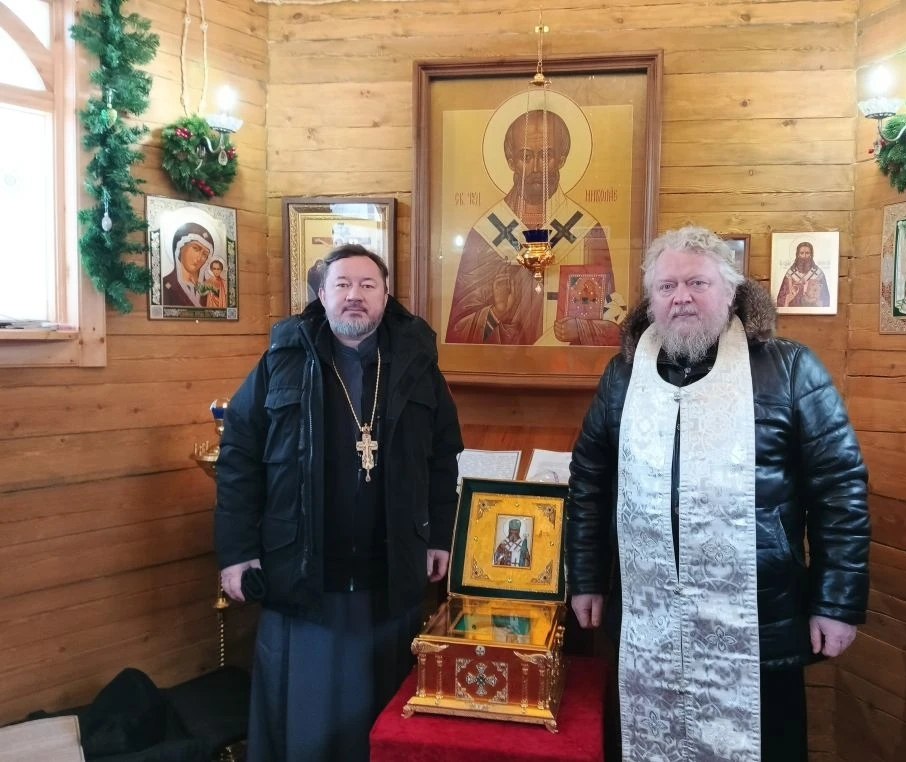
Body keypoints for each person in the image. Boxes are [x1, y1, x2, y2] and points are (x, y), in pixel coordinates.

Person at [565, 226, 870, 761]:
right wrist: (587, 578)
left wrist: (836, 603)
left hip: (757, 623)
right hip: (648, 625)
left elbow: (839, 490)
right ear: (651, 300)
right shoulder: (623, 376)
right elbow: (590, 482)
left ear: (731, 291)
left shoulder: (791, 369)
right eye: (667, 287)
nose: (681, 297)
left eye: (697, 283)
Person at [214, 243, 463, 762]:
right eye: (342, 284)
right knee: (306, 720)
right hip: (303, 570)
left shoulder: (417, 362)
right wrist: (237, 552)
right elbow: (238, 455)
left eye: (368, 285)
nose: (355, 295)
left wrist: (439, 535)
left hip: (387, 572)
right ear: (322, 295)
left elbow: (443, 457)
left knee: (382, 714)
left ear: (385, 296)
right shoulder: (283, 358)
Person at [445, 106, 624, 346]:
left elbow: (614, 320)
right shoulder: (485, 233)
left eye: (546, 155)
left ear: (562, 159)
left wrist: (582, 329)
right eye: (526, 157)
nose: (537, 168)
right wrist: (496, 313)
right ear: (511, 161)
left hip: (567, 366)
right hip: (505, 367)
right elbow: (458, 332)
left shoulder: (587, 230)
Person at [162, 222, 213, 307]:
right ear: (181, 247)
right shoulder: (165, 285)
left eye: (205, 254)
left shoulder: (208, 289)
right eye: (196, 248)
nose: (199, 258)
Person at [776, 240, 831, 308]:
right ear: (798, 254)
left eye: (807, 253)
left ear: (811, 255)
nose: (804, 256)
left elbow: (825, 299)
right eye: (802, 253)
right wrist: (787, 299)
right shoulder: (790, 274)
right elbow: (780, 299)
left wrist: (816, 299)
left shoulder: (818, 274)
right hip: (793, 311)